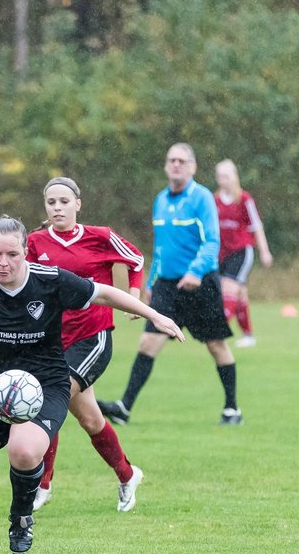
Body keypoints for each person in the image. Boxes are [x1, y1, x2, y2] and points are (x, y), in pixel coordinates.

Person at [0, 216, 182, 554]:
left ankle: (21, 519)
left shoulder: (50, 281)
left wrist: (155, 314)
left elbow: (105, 293)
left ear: (26, 252)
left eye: (12, 254)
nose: (2, 263)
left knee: (24, 450)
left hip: (44, 387)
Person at [98, 143, 243, 426]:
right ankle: (124, 407)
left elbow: (212, 241)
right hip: (166, 285)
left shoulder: (201, 198)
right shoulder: (161, 200)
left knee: (216, 345)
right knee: (148, 341)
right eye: (171, 160)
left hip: (201, 284)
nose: (176, 165)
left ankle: (232, 409)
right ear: (166, 166)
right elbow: (161, 248)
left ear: (192, 167)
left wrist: (195, 272)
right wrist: (151, 282)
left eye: (182, 161)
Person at [25, 177, 147, 513]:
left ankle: (42, 484)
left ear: (78, 203)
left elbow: (135, 260)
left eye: (64, 201)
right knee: (91, 420)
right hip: (52, 342)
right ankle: (127, 474)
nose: (58, 208)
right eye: (51, 202)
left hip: (92, 337)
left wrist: (133, 297)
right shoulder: (35, 243)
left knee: (51, 398)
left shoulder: (101, 237)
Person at [214, 159, 273, 348]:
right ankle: (248, 336)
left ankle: (218, 332)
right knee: (240, 295)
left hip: (241, 251)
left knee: (228, 288)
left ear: (234, 177)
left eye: (226, 176)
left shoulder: (244, 199)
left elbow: (256, 227)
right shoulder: (214, 200)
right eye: (220, 176)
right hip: (221, 253)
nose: (223, 180)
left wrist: (264, 251)